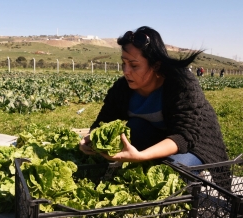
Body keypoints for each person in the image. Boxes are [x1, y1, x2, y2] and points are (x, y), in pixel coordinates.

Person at [79, 26, 229, 186]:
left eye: (134, 65)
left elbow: (184, 136)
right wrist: (90, 137)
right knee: (134, 126)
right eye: (124, 63)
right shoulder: (122, 88)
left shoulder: (181, 83)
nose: (126, 71)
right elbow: (104, 120)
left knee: (170, 175)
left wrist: (141, 156)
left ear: (156, 65)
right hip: (155, 137)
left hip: (193, 145)